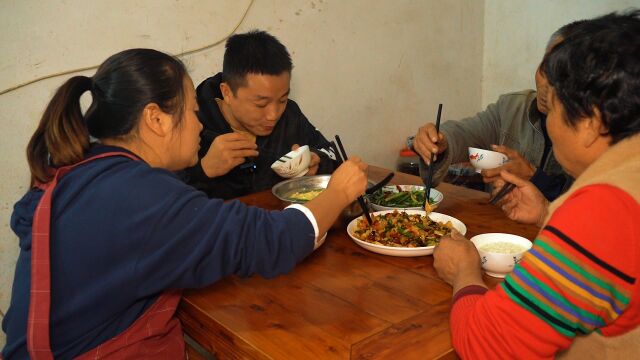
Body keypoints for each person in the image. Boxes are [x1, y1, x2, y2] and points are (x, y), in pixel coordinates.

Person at [1, 48, 368, 359]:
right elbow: (273, 241)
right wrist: (337, 192)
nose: (197, 126)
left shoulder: (84, 168)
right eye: (193, 112)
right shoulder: (138, 196)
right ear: (156, 119)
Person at [433, 10, 640, 359]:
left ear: (590, 121)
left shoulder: (604, 209)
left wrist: (464, 271)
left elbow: (487, 346)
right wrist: (548, 212)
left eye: (555, 106)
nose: (550, 122)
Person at [411, 24, 581, 201]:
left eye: (561, 78)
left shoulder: (591, 132)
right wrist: (441, 141)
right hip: (499, 224)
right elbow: (468, 133)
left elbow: (589, 204)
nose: (546, 86)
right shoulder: (513, 106)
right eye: (545, 70)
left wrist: (534, 177)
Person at [181, 30, 338, 199]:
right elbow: (165, 204)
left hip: (281, 221)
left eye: (282, 99)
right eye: (261, 104)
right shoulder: (193, 125)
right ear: (227, 93)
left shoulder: (290, 116)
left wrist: (317, 161)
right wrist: (204, 170)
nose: (273, 115)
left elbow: (332, 155)